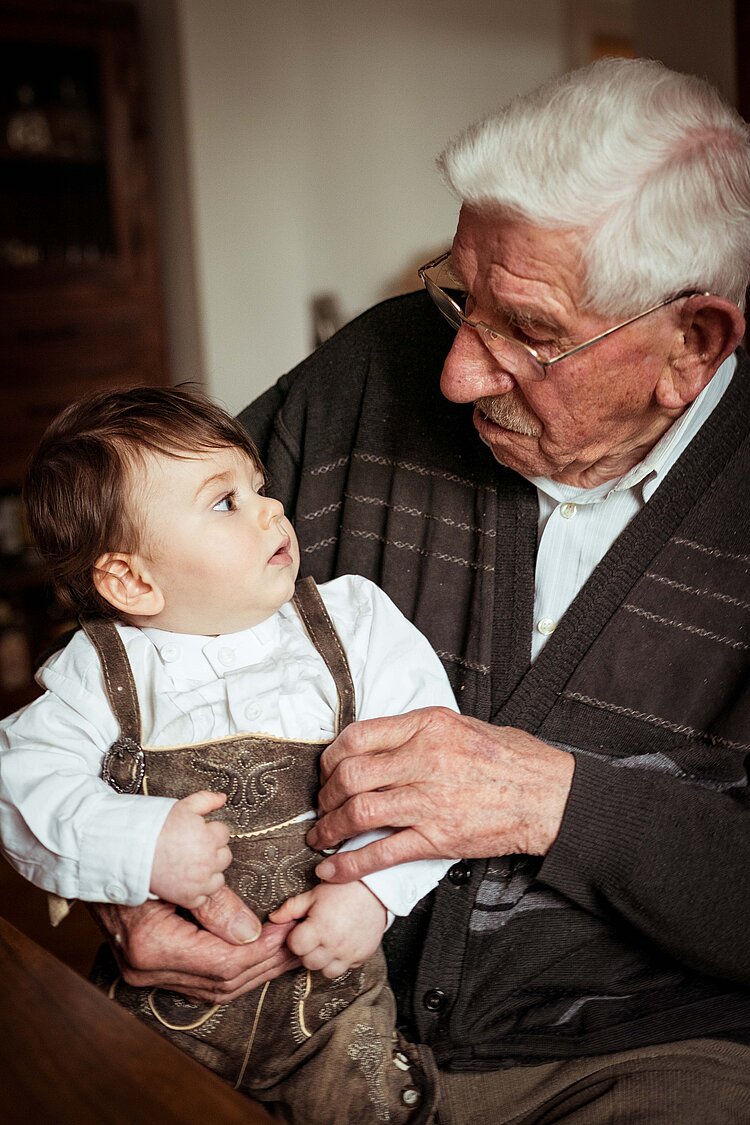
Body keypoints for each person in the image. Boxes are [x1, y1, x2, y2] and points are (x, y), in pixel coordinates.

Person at [39, 56, 750, 1121]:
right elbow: (129, 597)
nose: (458, 371)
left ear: (689, 346)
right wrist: (123, 875)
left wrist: (558, 804)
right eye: (461, 293)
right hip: (268, 1003)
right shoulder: (371, 375)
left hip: (624, 1051)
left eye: (529, 332)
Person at [0, 385, 462, 1123]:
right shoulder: (102, 669)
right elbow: (18, 786)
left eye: (260, 488)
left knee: (377, 1108)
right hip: (161, 1012)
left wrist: (371, 893)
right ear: (131, 579)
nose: (270, 511)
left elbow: (430, 769)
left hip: (334, 1011)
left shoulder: (350, 622)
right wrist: (143, 843)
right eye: (225, 502)